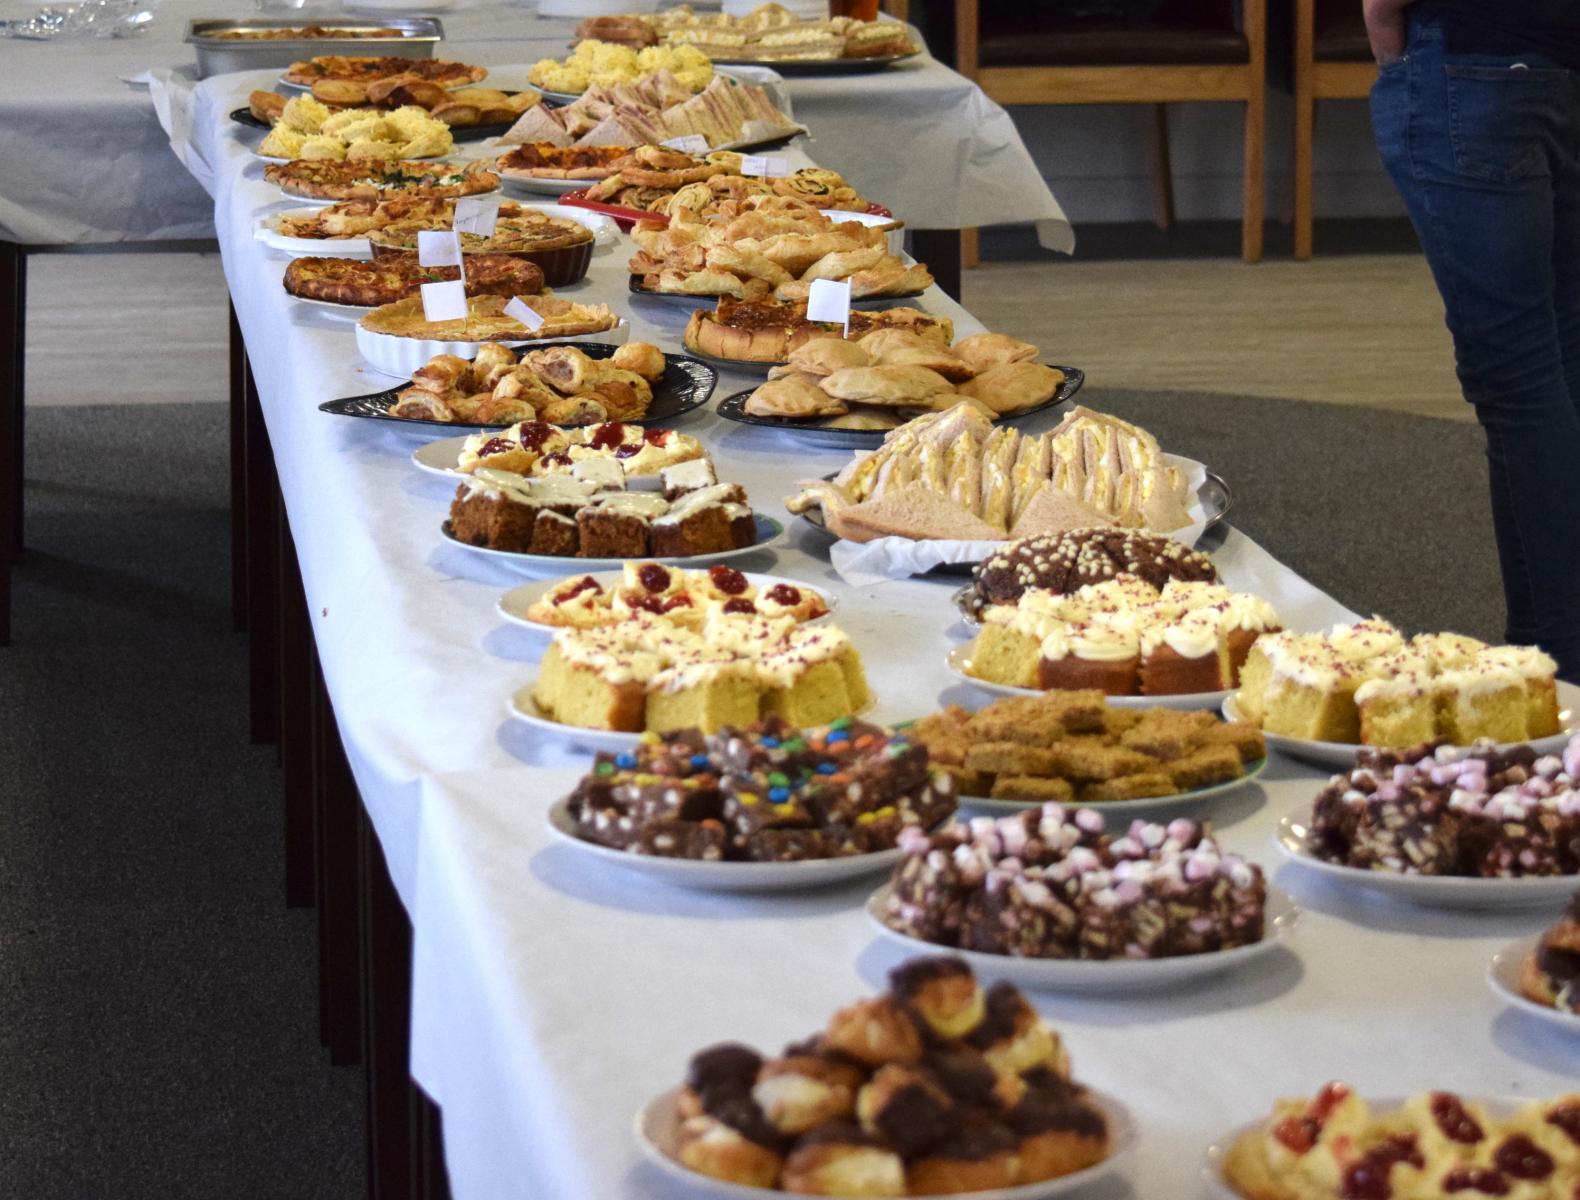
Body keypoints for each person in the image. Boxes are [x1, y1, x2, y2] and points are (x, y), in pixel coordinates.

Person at [1365, 1, 1580, 679]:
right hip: (1565, 64)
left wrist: (1395, 60)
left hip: (1468, 61)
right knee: (1564, 363)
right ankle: (1554, 641)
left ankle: (1555, 655)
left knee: (1519, 380)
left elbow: (1382, 7)